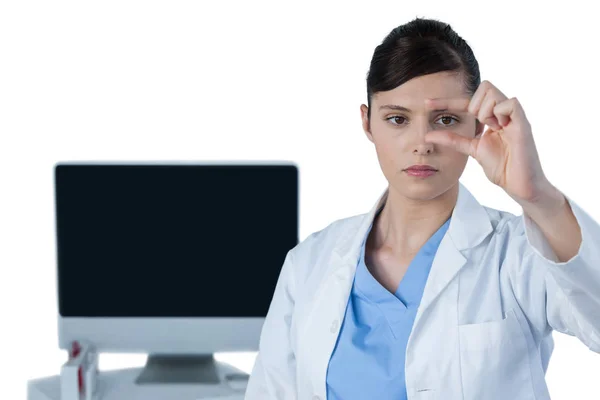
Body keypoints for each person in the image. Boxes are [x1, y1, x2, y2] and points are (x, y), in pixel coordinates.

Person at [244, 17, 600, 400]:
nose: (421, 143)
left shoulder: (517, 254)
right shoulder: (309, 264)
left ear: (477, 127)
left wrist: (537, 194)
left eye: (445, 120)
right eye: (397, 119)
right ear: (367, 123)